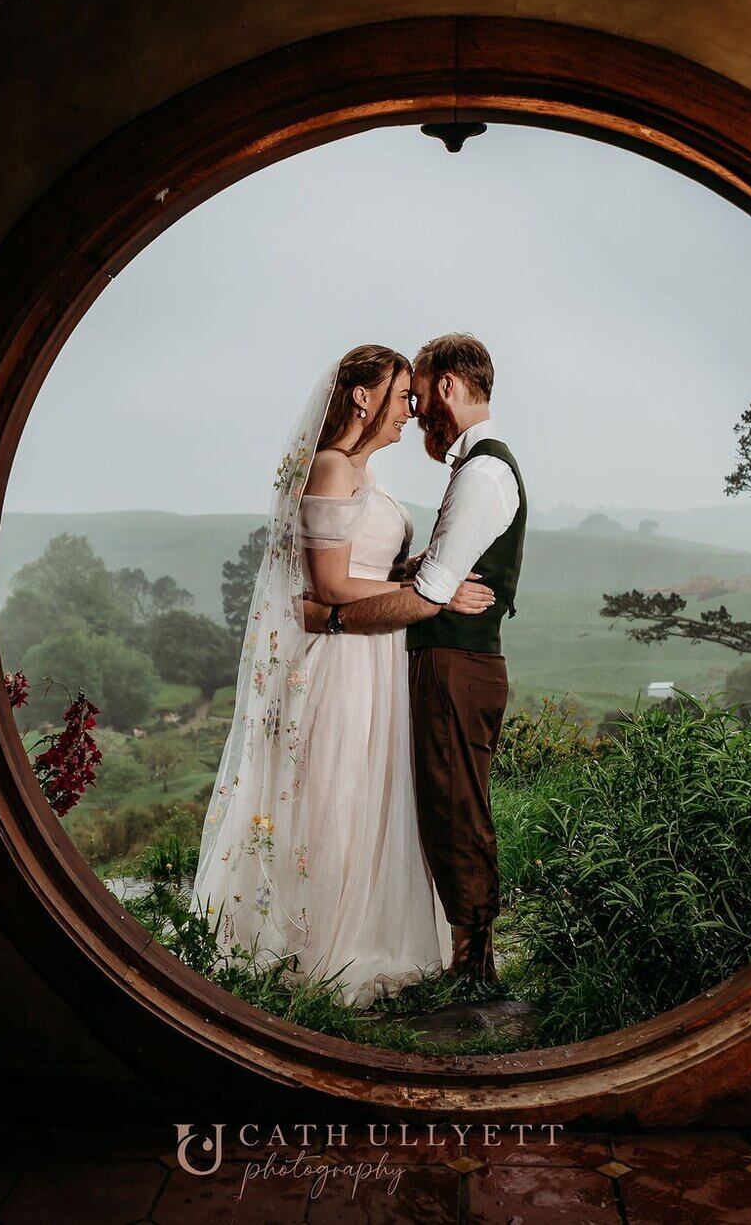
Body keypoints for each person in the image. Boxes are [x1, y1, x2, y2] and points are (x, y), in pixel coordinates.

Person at [191, 344, 494, 1005]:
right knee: (338, 789)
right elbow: (327, 582)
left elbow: (364, 567)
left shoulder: (363, 473)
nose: (412, 412)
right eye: (402, 396)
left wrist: (414, 573)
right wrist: (431, 597)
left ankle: (360, 926)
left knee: (368, 789)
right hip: (345, 661)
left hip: (378, 655)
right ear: (363, 396)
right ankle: (322, 942)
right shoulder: (331, 467)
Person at [302, 333, 526, 987]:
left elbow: (432, 595)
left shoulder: (483, 471)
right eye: (405, 398)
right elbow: (425, 576)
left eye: (420, 395)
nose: (416, 410)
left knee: (456, 806)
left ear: (448, 386)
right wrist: (410, 575)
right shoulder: (469, 466)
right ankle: (465, 955)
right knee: (439, 804)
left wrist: (332, 613)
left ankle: (475, 964)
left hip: (458, 659)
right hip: (432, 660)